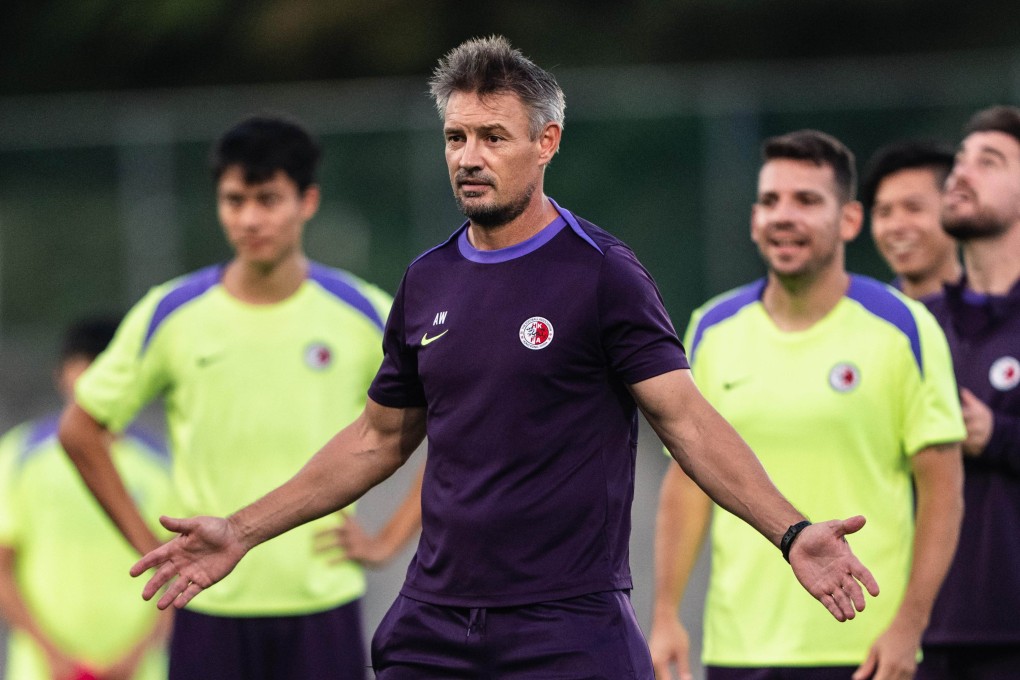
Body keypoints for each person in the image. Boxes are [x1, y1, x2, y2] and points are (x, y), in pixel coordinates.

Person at [126, 37, 880, 680]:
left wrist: (790, 531)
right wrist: (243, 529)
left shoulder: (602, 273)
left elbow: (684, 419)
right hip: (433, 627)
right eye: (456, 138)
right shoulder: (427, 279)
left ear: (546, 142)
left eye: (493, 136)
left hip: (565, 627)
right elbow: (378, 438)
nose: (470, 157)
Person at [58, 115, 419, 680]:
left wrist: (389, 540)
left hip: (321, 601)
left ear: (308, 201)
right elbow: (80, 431)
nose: (249, 218)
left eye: (268, 199)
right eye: (234, 200)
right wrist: (150, 545)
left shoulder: (364, 313)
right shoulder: (170, 313)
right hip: (209, 606)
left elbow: (455, 422)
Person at [648, 130, 965, 680]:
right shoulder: (711, 329)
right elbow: (686, 487)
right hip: (739, 647)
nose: (783, 216)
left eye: (806, 200)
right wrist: (665, 614)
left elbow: (944, 492)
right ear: (753, 220)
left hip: (866, 649)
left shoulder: (905, 326)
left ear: (848, 220)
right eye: (770, 201)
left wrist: (909, 628)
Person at [0, 316, 173, 680]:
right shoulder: (18, 455)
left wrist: (137, 653)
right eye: (86, 368)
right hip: (44, 669)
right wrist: (51, 653)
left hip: (137, 670)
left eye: (109, 369)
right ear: (62, 374)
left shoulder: (162, 465)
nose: (96, 383)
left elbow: (180, 571)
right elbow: (3, 567)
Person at [919, 105, 1020, 680]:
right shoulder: (916, 326)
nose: (961, 173)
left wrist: (998, 435)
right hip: (921, 633)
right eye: (960, 160)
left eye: (990, 161)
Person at [861, 140, 962, 301]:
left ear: (955, 207)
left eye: (913, 208)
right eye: (884, 212)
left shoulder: (998, 314)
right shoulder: (869, 316)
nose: (896, 226)